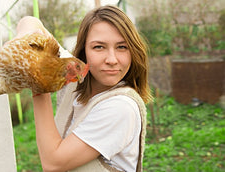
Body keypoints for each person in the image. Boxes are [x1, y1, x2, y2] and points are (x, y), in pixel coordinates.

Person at [15, 5, 152, 172]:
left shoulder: (121, 107)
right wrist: (23, 37)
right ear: (83, 52)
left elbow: (53, 163)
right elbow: (32, 22)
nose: (111, 59)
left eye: (122, 47)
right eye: (99, 47)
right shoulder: (76, 76)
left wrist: (40, 84)